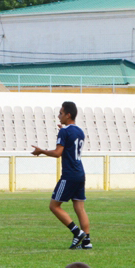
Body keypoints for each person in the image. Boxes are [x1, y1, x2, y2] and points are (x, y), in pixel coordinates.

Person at [32, 101, 89, 249]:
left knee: (54, 206)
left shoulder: (64, 131)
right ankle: (87, 242)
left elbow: (58, 153)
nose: (58, 116)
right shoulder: (80, 131)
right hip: (80, 173)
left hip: (69, 174)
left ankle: (77, 232)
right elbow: (71, 143)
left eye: (61, 113)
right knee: (80, 208)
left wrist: (41, 151)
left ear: (68, 115)